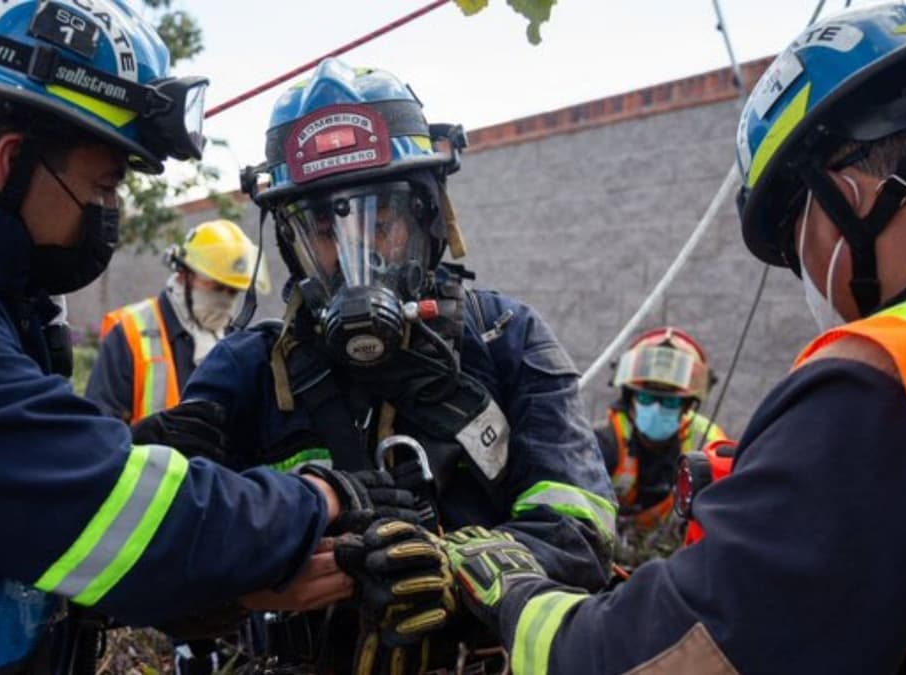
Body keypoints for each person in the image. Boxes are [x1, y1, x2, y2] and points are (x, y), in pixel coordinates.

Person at [0, 3, 430, 672]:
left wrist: (131, 454)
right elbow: (108, 521)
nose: (109, 215)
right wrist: (323, 497)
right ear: (10, 159)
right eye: (103, 187)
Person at [441, 3, 906, 672]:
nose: (805, 272)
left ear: (842, 193)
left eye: (792, 238)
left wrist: (522, 598)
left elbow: (668, 650)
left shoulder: (881, 382)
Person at [179, 58, 616, 674]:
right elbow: (175, 552)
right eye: (324, 230)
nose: (353, 256)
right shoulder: (247, 371)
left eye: (379, 221)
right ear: (289, 241)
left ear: (427, 217)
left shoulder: (507, 339)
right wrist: (265, 571)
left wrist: (453, 568)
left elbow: (580, 527)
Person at [86, 218, 269, 424]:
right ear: (184, 274)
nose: (225, 299)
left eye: (233, 292)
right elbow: (101, 427)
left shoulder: (233, 340)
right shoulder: (130, 332)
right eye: (217, 287)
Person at [593, 327, 728, 565]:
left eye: (669, 401)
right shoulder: (603, 443)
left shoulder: (708, 443)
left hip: (683, 568)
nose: (655, 408)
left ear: (687, 406)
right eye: (645, 398)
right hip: (608, 564)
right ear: (629, 399)